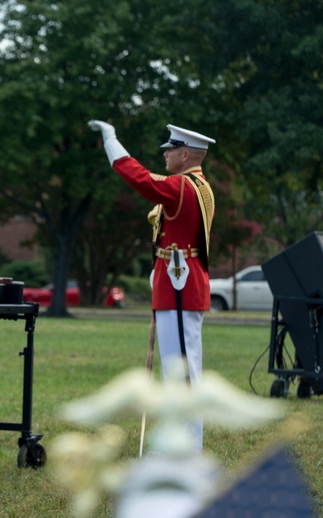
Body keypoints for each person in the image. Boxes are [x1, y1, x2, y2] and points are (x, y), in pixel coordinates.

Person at [88, 120, 215, 452]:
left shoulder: (184, 187)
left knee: (182, 376)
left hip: (180, 289)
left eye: (170, 150)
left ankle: (186, 451)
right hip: (175, 284)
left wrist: (111, 142)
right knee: (178, 373)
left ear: (185, 154)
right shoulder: (196, 185)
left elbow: (140, 179)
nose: (165, 155)